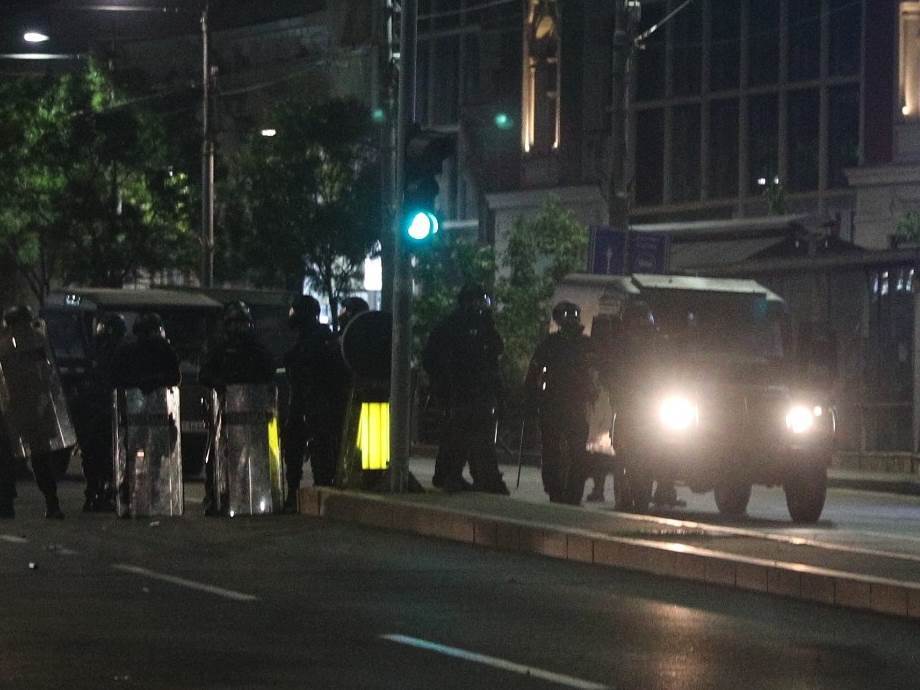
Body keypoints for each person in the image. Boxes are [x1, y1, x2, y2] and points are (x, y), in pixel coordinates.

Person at [423, 284, 509, 495]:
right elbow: (433, 359)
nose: (482, 306)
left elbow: (495, 352)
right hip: (458, 390)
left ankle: (482, 477)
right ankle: (451, 475)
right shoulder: (451, 326)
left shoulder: (483, 327)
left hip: (479, 390)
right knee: (458, 435)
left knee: (479, 435)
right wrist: (443, 384)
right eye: (479, 301)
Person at [199, 301, 276, 515]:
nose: (238, 329)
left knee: (256, 459)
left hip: (252, 417)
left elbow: (269, 371)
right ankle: (216, 498)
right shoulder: (220, 349)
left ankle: (258, 498)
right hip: (225, 415)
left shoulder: (257, 348)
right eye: (234, 324)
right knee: (217, 458)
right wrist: (222, 383)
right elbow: (204, 375)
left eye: (242, 324)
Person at [524, 301, 597, 505]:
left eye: (574, 314)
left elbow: (598, 371)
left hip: (577, 404)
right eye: (567, 315)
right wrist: (531, 398)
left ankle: (573, 494)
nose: (571, 319)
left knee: (577, 452)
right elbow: (534, 372)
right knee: (552, 451)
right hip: (554, 404)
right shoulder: (550, 344)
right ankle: (555, 490)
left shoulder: (586, 344)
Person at [0, 305, 66, 519]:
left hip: (14, 409)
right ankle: (52, 502)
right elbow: (49, 375)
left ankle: (7, 503)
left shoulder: (5, 345)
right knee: (40, 458)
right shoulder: (39, 340)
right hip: (38, 408)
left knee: (7, 457)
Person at [283, 295, 341, 510]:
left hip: (318, 403)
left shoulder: (319, 339)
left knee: (319, 448)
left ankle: (318, 491)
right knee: (294, 444)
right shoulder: (309, 337)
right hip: (304, 402)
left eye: (295, 312)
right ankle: (294, 492)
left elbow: (306, 364)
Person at [78, 313, 127, 512]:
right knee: (94, 454)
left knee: (106, 454)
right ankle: (95, 491)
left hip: (110, 411)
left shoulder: (119, 353)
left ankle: (105, 491)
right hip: (98, 410)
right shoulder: (98, 353)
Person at [111, 312, 181, 393]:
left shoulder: (163, 348)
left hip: (155, 398)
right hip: (135, 399)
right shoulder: (127, 349)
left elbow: (175, 377)